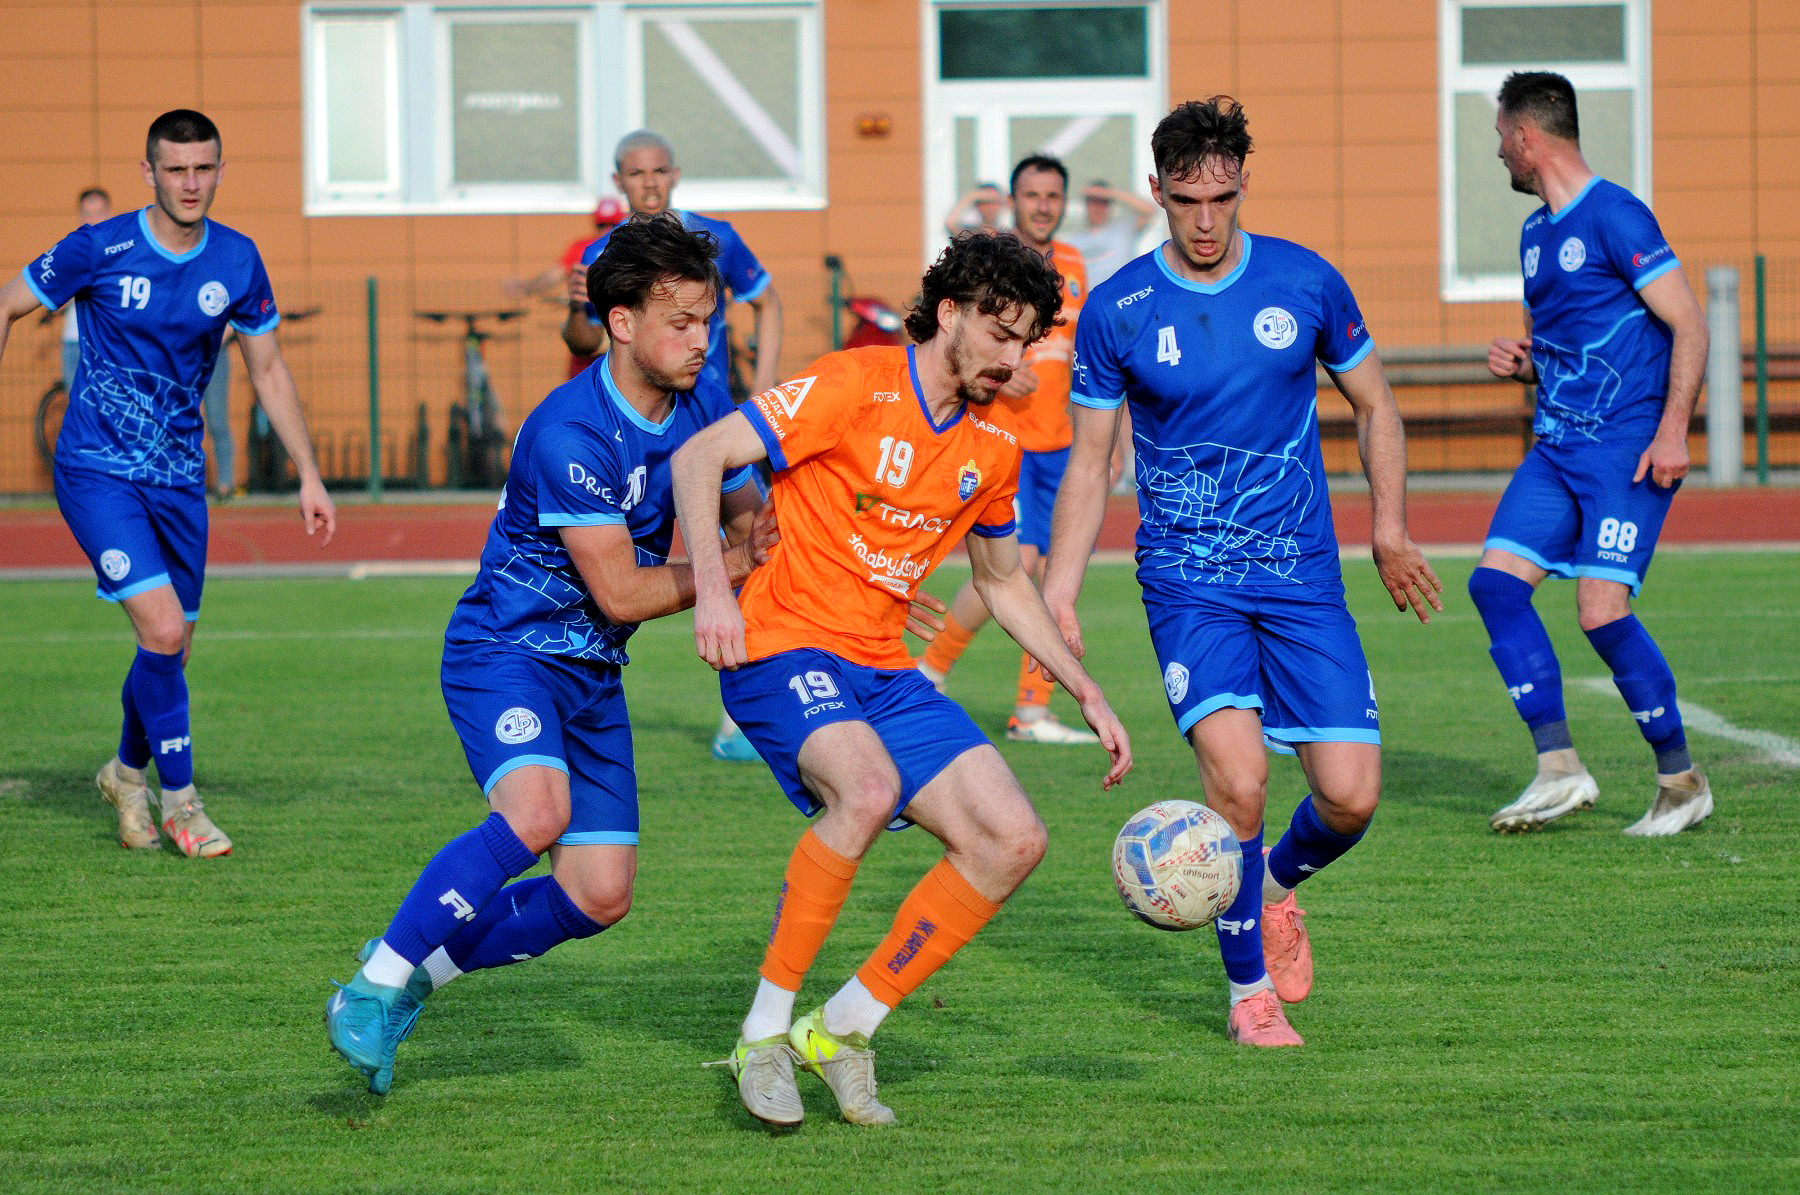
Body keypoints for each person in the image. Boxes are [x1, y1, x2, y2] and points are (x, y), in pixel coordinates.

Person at [672, 229, 1131, 1128]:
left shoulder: (992, 447)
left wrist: (1084, 686)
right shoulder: (853, 382)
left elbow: (1002, 581)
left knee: (1012, 838)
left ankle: (843, 1027)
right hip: (781, 642)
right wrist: (715, 592)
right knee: (868, 787)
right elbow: (698, 458)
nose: (1013, 359)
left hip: (881, 666)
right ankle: (761, 1038)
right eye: (999, 333)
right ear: (949, 312)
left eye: (1026, 341)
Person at [324, 213, 774, 1095]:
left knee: (600, 893)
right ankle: (370, 985)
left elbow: (751, 516)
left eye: (707, 320)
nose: (701, 339)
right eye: (681, 322)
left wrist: (787, 549)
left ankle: (417, 973)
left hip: (593, 677)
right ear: (622, 323)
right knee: (536, 812)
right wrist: (731, 566)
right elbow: (622, 593)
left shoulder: (704, 403)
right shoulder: (571, 430)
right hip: (507, 651)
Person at [1042, 97, 1442, 1048]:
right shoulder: (1118, 309)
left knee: (1350, 795)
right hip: (1189, 582)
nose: (1206, 220)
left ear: (1244, 187)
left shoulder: (1305, 281)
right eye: (1187, 201)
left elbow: (1376, 406)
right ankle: (1248, 995)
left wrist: (1389, 527)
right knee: (1240, 782)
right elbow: (1090, 462)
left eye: (1222, 199)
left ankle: (1268, 887)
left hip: (1302, 575)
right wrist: (1058, 587)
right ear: (1156, 192)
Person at [0, 109, 336, 858]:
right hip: (97, 470)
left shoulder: (238, 260)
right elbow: (8, 303)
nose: (190, 183)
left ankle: (125, 774)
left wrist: (309, 473)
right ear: (148, 172)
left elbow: (268, 368)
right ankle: (182, 804)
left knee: (172, 649)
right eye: (175, 169)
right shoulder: (100, 246)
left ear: (220, 171)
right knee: (161, 629)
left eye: (203, 168)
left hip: (181, 480)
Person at [1475, 72, 1712, 837]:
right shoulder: (1534, 234)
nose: (1498, 152)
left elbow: (1690, 323)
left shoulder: (1615, 214)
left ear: (1526, 136)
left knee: (1600, 609)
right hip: (1558, 446)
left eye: (1501, 137)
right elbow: (1569, 350)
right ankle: (1559, 767)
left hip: (1626, 446)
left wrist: (1674, 429)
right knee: (1495, 586)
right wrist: (1526, 366)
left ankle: (1681, 781)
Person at [561, 129, 785, 764]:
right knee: (624, 568)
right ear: (619, 182)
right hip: (636, 426)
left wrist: (761, 396)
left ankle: (749, 710)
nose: (650, 182)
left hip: (707, 413)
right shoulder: (602, 252)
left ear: (675, 174)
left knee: (757, 538)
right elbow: (583, 340)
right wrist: (577, 307)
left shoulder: (715, 237)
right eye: (637, 174)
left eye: (659, 170)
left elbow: (769, 303)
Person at [918, 154, 1099, 744]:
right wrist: (999, 369)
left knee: (1051, 577)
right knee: (1009, 566)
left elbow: (1082, 355)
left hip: (1059, 444)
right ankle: (930, 670)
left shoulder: (1073, 264)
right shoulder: (989, 261)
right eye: (1032, 195)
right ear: (1014, 200)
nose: (1043, 206)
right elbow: (947, 334)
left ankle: (1031, 711)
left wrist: (1104, 437)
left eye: (1053, 195)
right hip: (1001, 440)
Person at [507, 197, 627, 380]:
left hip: (620, 332)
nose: (606, 230)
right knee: (582, 383)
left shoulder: (629, 249)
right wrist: (527, 287)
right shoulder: (584, 248)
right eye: (601, 225)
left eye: (612, 225)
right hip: (590, 329)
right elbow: (556, 273)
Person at [55, 187, 112, 388]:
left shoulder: (120, 252)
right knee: (77, 400)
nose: (93, 220)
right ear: (79, 216)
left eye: (99, 213)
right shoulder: (70, 251)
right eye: (88, 214)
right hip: (74, 340)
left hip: (107, 342)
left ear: (109, 213)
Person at [1066, 179, 1157, 286]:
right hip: (1089, 295)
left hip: (1121, 293)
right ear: (1086, 205)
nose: (1097, 208)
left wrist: (1110, 192)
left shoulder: (1123, 231)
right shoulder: (1074, 241)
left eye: (1102, 202)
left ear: (1109, 205)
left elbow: (1149, 210)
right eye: (1093, 202)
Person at [941, 181, 1007, 237]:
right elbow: (950, 224)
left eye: (994, 202)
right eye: (985, 202)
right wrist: (973, 196)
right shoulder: (972, 233)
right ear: (977, 206)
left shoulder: (1006, 233)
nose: (990, 207)